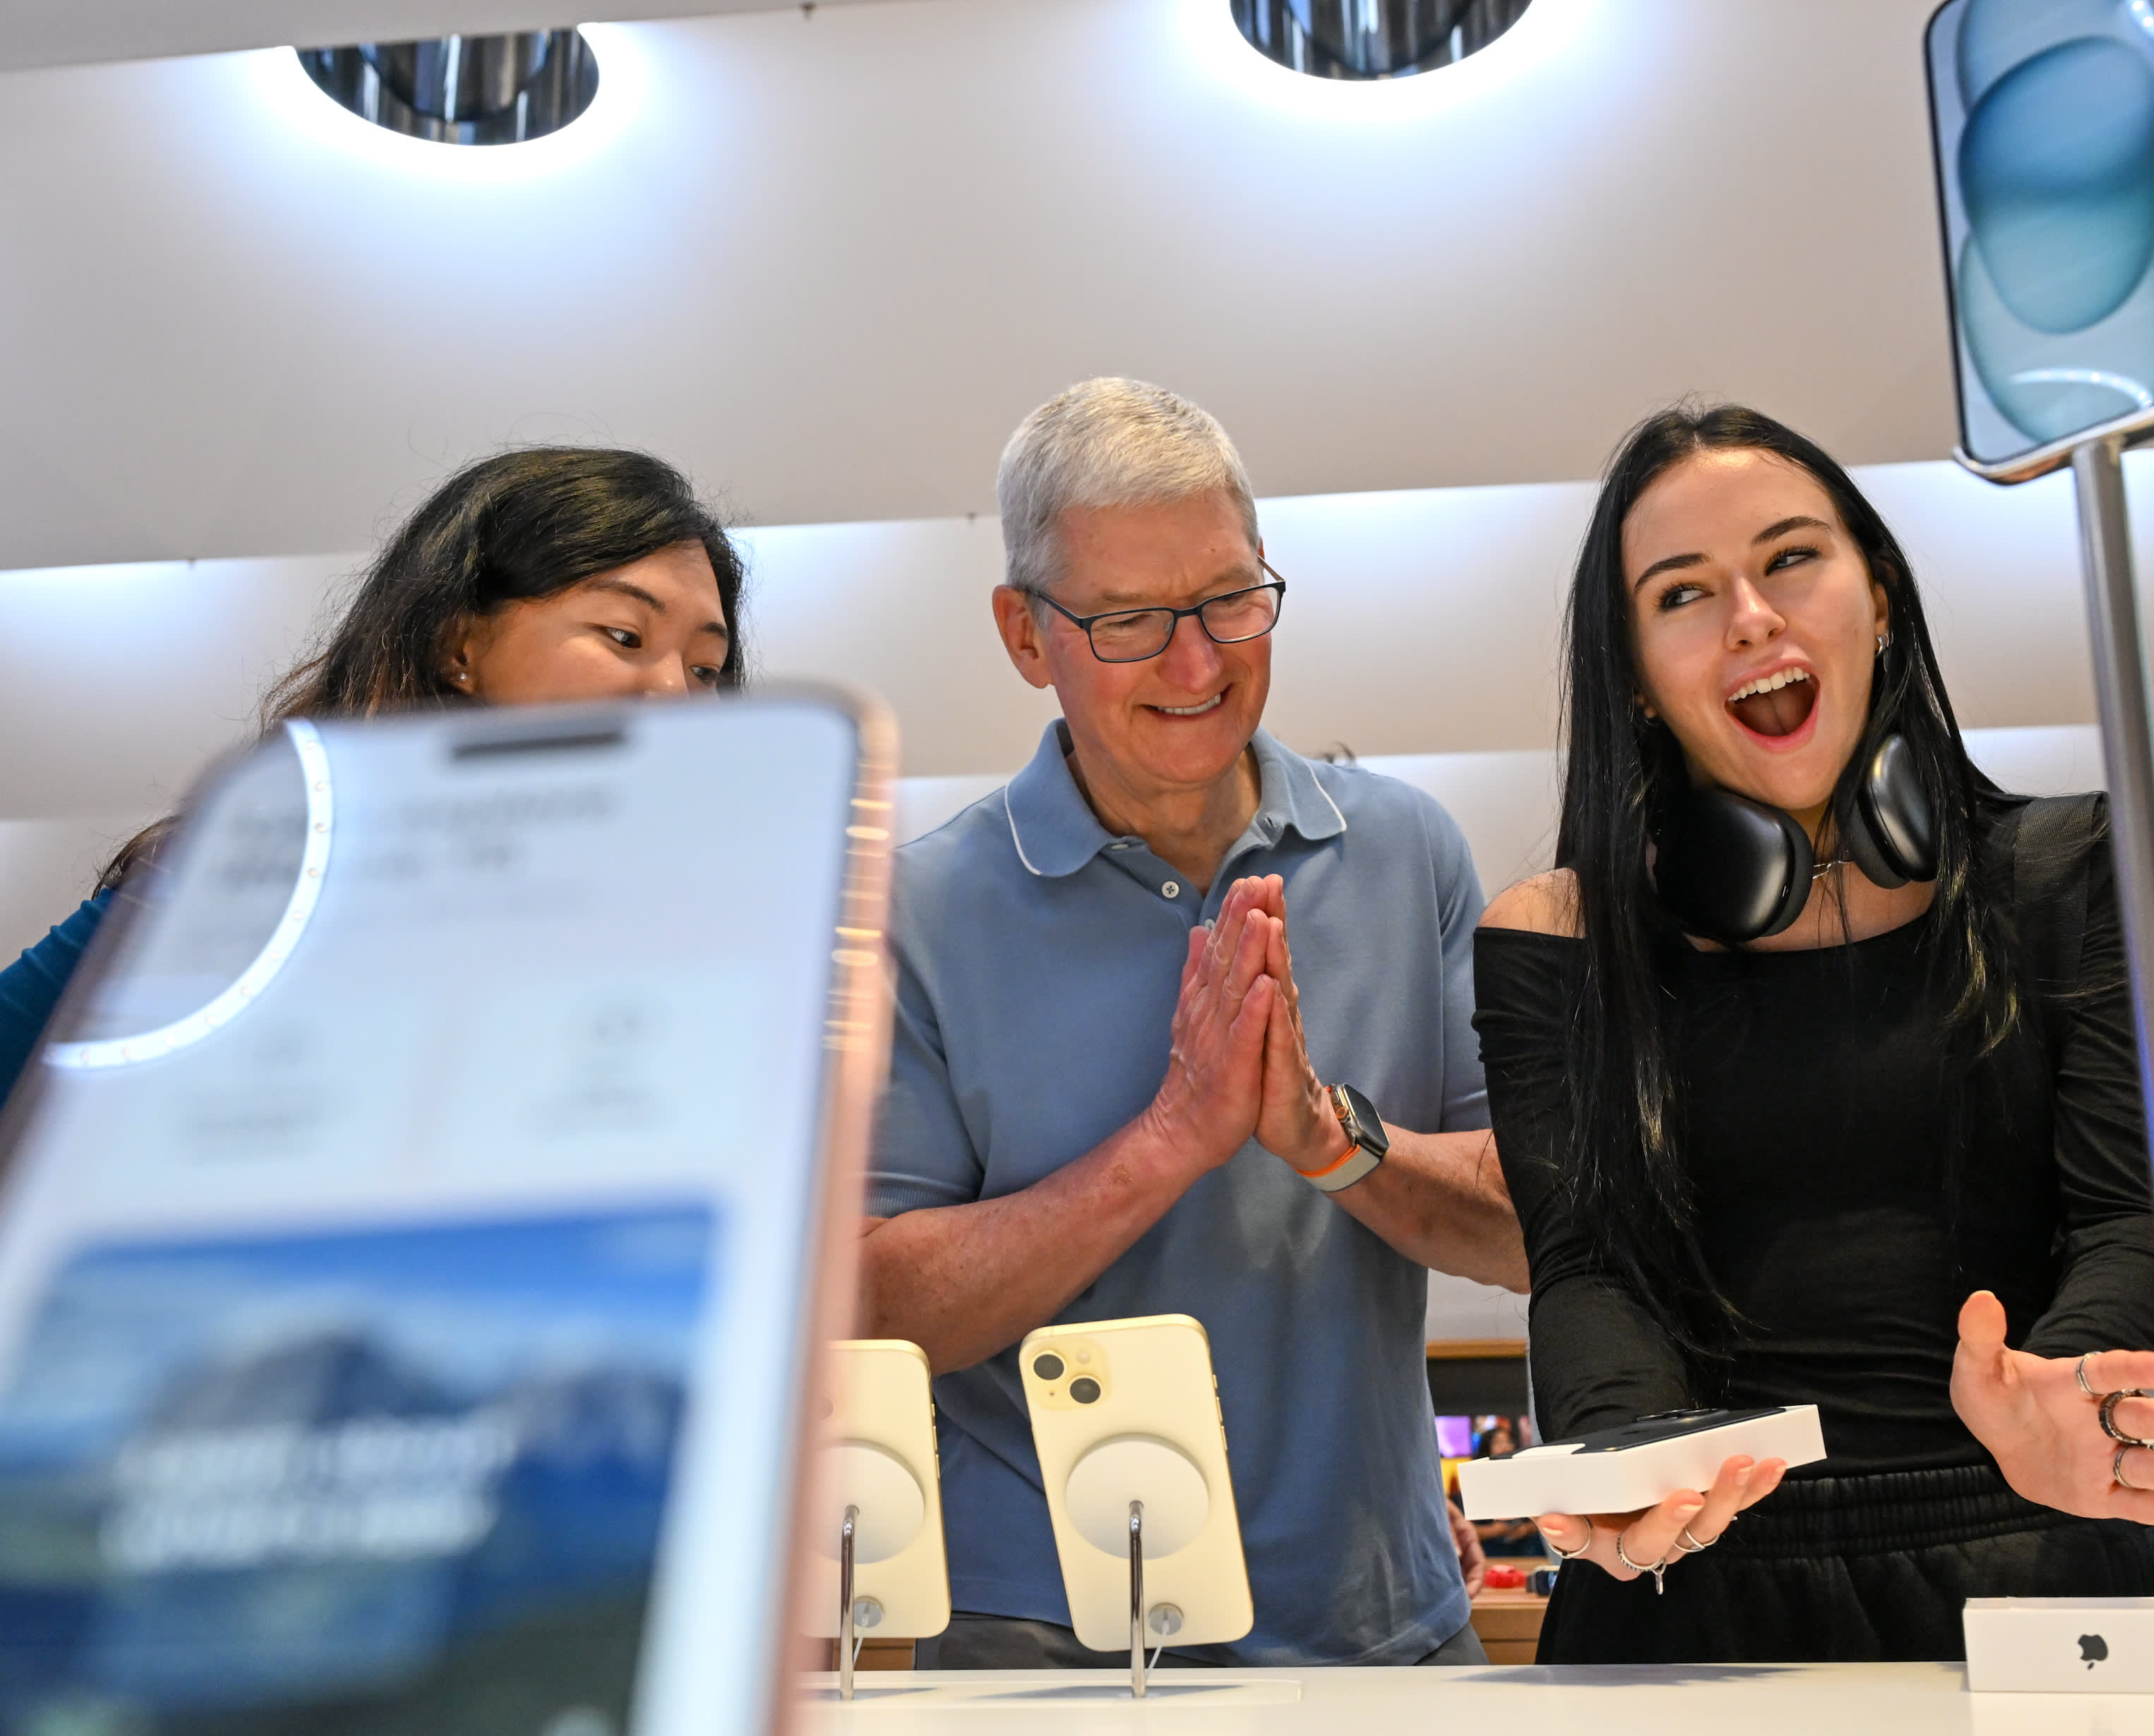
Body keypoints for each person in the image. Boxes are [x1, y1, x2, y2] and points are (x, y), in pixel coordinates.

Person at [1476, 403, 2154, 1663]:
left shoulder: (2069, 869)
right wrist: (1629, 1451)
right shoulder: (1558, 934)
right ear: (1638, 679)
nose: (1754, 614)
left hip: (2038, 1547)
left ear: (1879, 598)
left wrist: (2062, 1388)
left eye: (1792, 557)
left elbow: (2129, 1215)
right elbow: (1587, 1263)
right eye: (1684, 592)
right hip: (1697, 1584)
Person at [860, 378, 1527, 1668]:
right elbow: (880, 1307)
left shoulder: (1405, 849)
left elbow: (1524, 1232)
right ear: (1022, 633)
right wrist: (1169, 1140)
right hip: (1046, 1644)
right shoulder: (916, 908)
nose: (1197, 662)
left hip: (1382, 1628)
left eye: (1231, 598)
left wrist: (1331, 1138)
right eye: (1127, 620)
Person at [0, 447, 745, 1098]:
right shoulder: (243, 881)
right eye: (624, 636)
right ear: (459, 646)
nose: (675, 695)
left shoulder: (718, 927)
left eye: (705, 670)